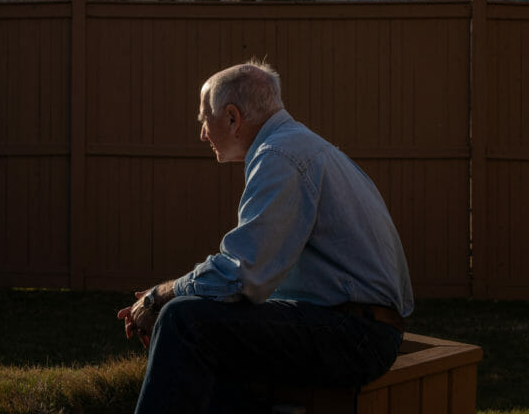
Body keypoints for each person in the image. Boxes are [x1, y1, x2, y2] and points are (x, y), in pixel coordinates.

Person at [118, 61, 413, 413]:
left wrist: (160, 296)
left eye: (202, 119)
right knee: (209, 327)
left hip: (355, 336)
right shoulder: (302, 147)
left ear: (232, 117)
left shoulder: (279, 156)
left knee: (184, 321)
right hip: (357, 327)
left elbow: (242, 276)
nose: (202, 133)